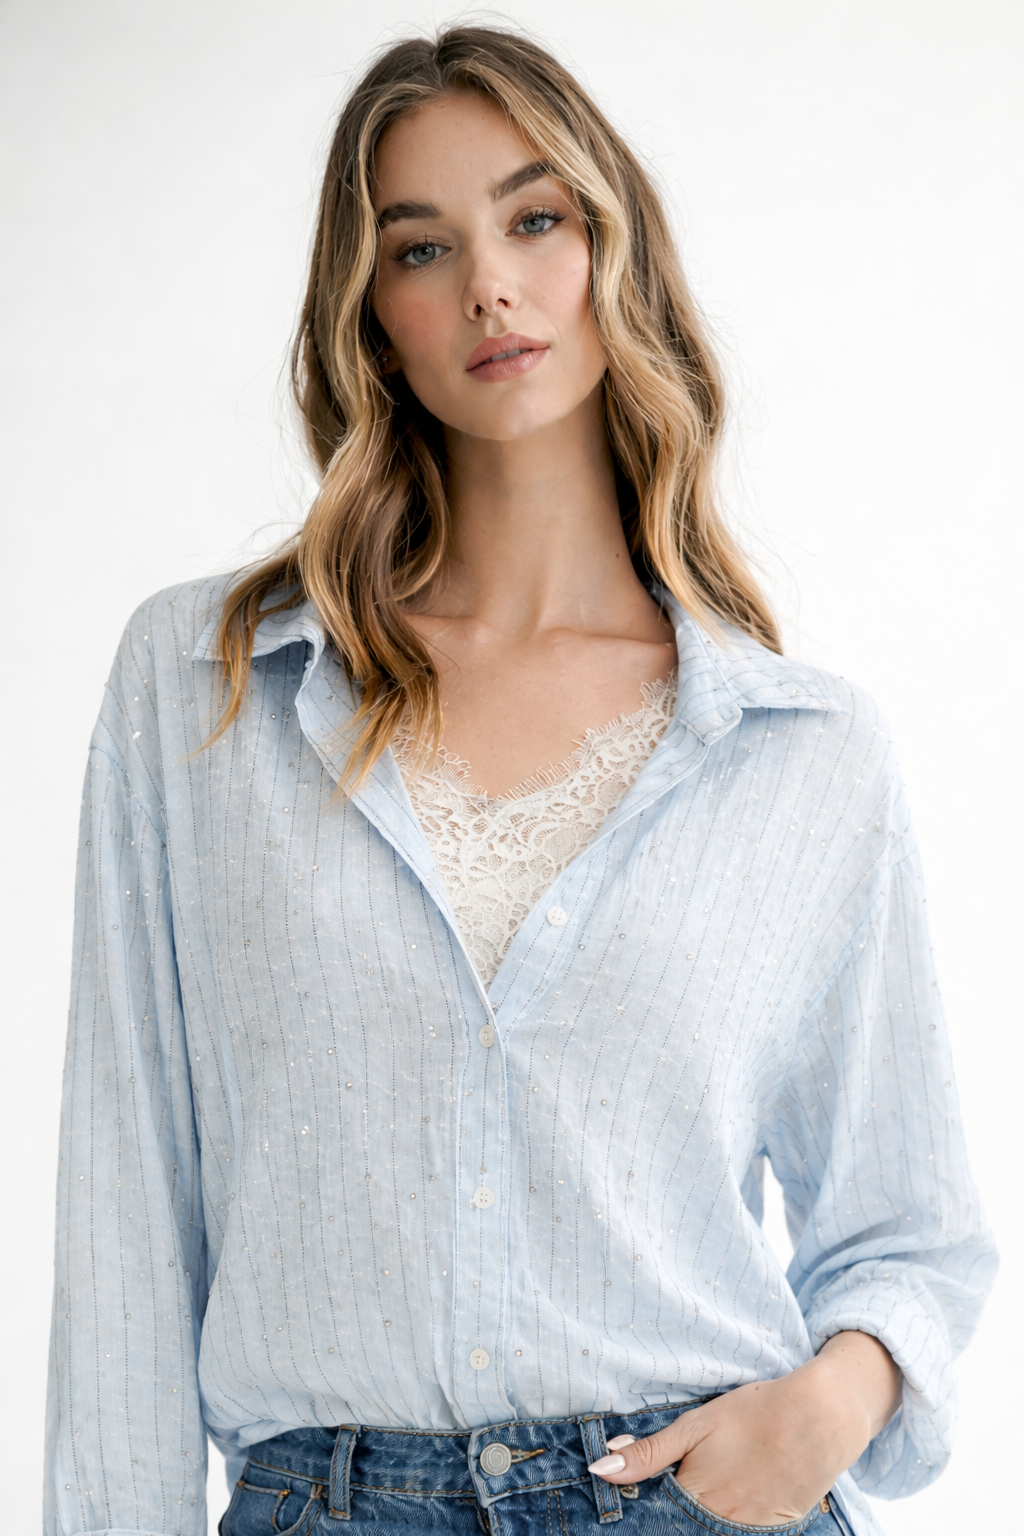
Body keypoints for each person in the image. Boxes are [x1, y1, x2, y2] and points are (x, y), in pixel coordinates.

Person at [46, 26, 996, 1536]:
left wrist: (828, 1406)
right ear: (372, 318)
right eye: (421, 248)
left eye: (535, 219)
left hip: (693, 1501)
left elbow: (911, 1235)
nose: (490, 284)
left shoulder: (804, 752)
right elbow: (127, 1207)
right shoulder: (208, 685)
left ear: (615, 253)